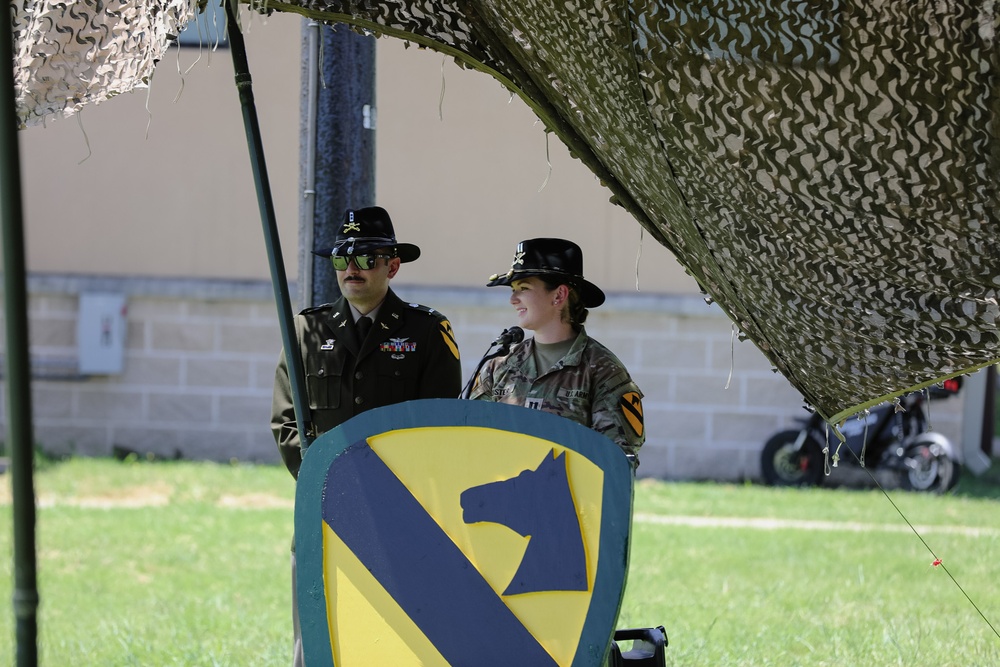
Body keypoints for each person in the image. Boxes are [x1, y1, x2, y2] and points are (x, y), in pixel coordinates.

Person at [270, 205, 462, 666]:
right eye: (342, 259)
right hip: (324, 510)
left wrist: (386, 489)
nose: (351, 269)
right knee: (315, 642)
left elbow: (438, 428)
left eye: (366, 258)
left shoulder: (427, 332)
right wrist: (326, 480)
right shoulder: (307, 330)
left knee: (394, 641)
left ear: (392, 266)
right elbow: (285, 422)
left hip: (400, 513)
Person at [469, 237, 645, 464]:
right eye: (513, 290)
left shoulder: (603, 370)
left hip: (570, 497)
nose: (513, 299)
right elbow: (472, 437)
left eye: (523, 288)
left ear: (559, 295)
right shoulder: (500, 364)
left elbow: (617, 460)